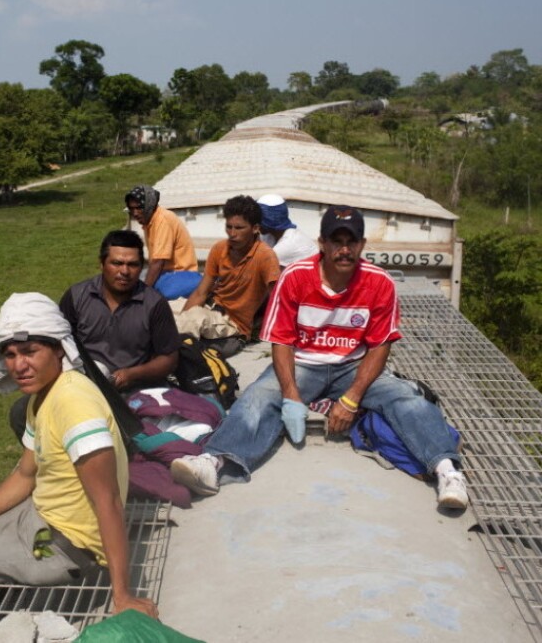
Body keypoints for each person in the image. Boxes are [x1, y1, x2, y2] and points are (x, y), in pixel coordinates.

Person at [170, 205, 469, 511]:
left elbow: (379, 345)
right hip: (303, 362)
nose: (344, 249)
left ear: (362, 245)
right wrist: (290, 396)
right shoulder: (296, 278)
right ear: (321, 243)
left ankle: (448, 472)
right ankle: (212, 461)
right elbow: (282, 342)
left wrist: (352, 399)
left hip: (354, 364)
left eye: (351, 242)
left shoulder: (379, 283)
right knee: (259, 398)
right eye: (335, 241)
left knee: (407, 397)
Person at [0, 293, 157, 637]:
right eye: (10, 354)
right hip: (42, 517)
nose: (18, 365)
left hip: (59, 546)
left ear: (59, 350)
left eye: (29, 352)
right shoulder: (45, 395)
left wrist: (122, 594)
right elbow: (25, 473)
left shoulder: (74, 404)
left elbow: (107, 501)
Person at [60, 230, 180, 392]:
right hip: (82, 387)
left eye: (132, 264)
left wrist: (132, 374)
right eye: (117, 263)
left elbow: (169, 358)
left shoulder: (155, 304)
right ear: (102, 264)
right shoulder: (76, 296)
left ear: (141, 267)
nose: (125, 271)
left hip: (135, 391)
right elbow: (58, 345)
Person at [176, 195, 280, 350]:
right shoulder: (219, 249)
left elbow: (278, 300)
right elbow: (201, 293)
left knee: (192, 321)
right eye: (229, 227)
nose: (232, 233)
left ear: (255, 228)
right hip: (209, 308)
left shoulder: (265, 256)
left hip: (232, 323)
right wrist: (182, 318)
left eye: (239, 228)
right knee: (159, 311)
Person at [125, 185, 202, 300]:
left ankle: (207, 284)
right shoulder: (150, 221)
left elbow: (158, 262)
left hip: (181, 273)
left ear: (149, 205)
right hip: (166, 273)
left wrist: (143, 293)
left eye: (139, 208)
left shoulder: (162, 220)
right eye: (132, 209)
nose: (135, 213)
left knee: (160, 293)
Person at [256, 193, 318, 267]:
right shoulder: (270, 234)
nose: (256, 225)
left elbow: (257, 266)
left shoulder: (287, 245)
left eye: (259, 220)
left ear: (269, 220)